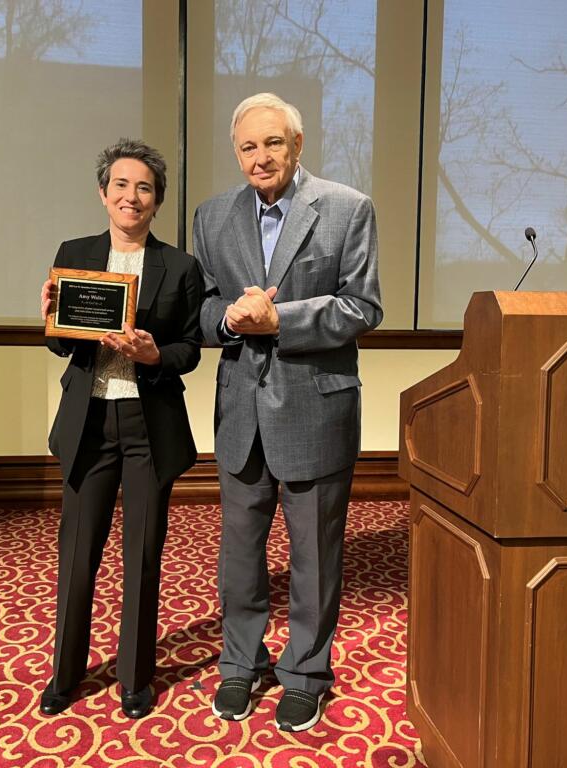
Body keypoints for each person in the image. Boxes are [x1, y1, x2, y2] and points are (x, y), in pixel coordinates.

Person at [193, 93, 382, 731]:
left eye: (272, 143)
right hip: (241, 416)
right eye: (248, 146)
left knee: (316, 558)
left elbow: (363, 308)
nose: (260, 157)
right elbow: (204, 310)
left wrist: (283, 319)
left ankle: (305, 671)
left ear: (297, 145)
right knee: (239, 557)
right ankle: (239, 666)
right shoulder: (212, 216)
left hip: (316, 411)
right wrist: (226, 318)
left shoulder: (347, 208)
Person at [38, 138, 203, 719]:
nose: (131, 197)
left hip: (148, 422)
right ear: (103, 194)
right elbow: (63, 343)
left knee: (142, 555)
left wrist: (155, 354)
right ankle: (65, 673)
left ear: (156, 200)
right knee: (78, 554)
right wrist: (51, 320)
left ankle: (135, 677)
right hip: (88, 422)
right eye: (121, 186)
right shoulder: (75, 252)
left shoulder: (180, 266)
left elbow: (191, 349)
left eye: (144, 188)